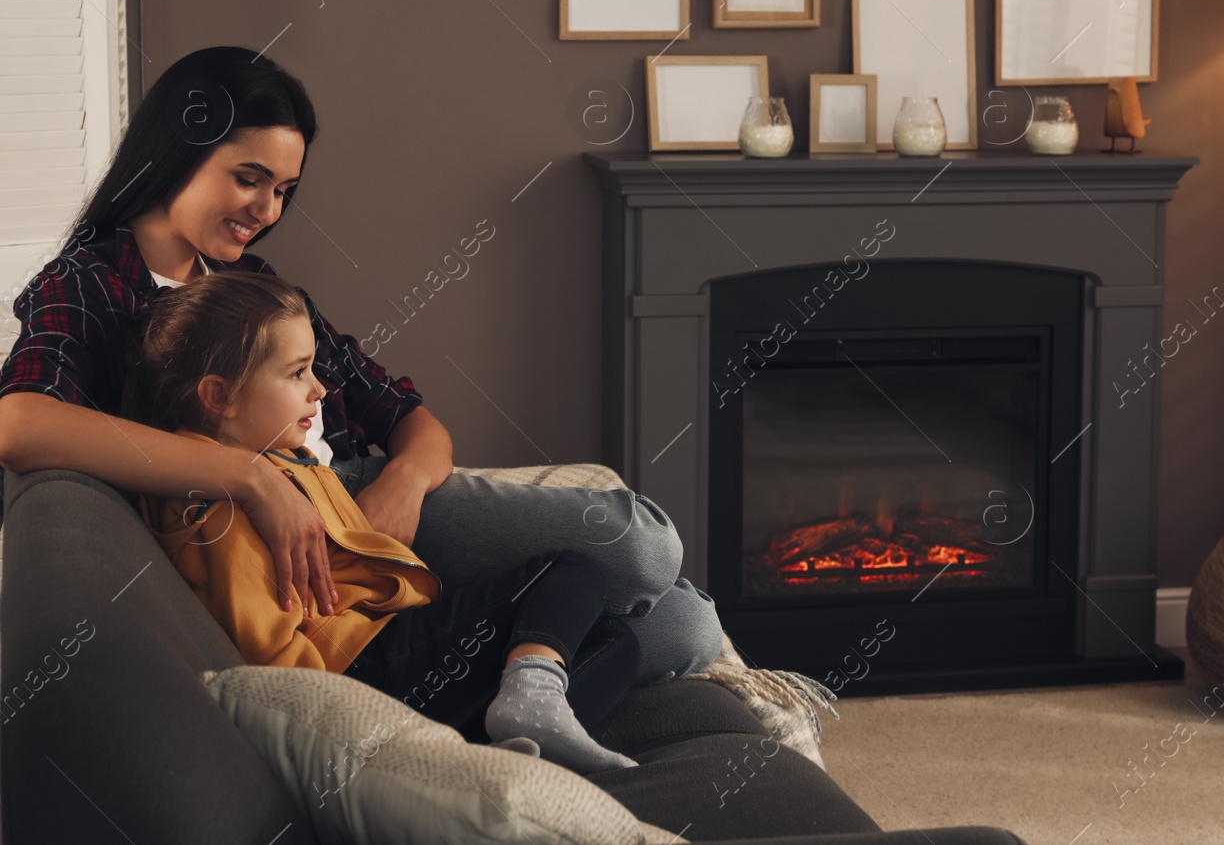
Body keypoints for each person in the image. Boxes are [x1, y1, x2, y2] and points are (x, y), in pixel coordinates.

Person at [0, 45, 724, 689]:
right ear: (177, 151)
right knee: (649, 558)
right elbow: (20, 421)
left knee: (674, 601)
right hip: (301, 532)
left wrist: (403, 485)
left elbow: (413, 418)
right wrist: (252, 477)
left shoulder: (255, 283)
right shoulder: (92, 282)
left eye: (283, 189)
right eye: (249, 178)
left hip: (364, 505)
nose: (266, 208)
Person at [125, 271, 638, 773]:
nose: (320, 390)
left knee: (617, 639)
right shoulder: (217, 506)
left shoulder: (279, 459)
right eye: (297, 372)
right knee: (570, 571)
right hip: (359, 672)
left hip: (381, 651)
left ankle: (504, 752)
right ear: (220, 398)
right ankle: (516, 722)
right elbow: (268, 652)